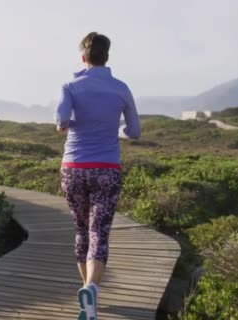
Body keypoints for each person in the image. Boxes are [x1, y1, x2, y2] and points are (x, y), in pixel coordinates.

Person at [54, 32, 141, 320]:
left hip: (74, 169)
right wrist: (115, 130)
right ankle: (91, 289)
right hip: (107, 168)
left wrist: (75, 123)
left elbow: (61, 122)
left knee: (81, 231)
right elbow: (135, 132)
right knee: (98, 233)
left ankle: (87, 292)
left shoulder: (70, 86)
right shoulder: (121, 88)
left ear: (83, 57)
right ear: (107, 56)